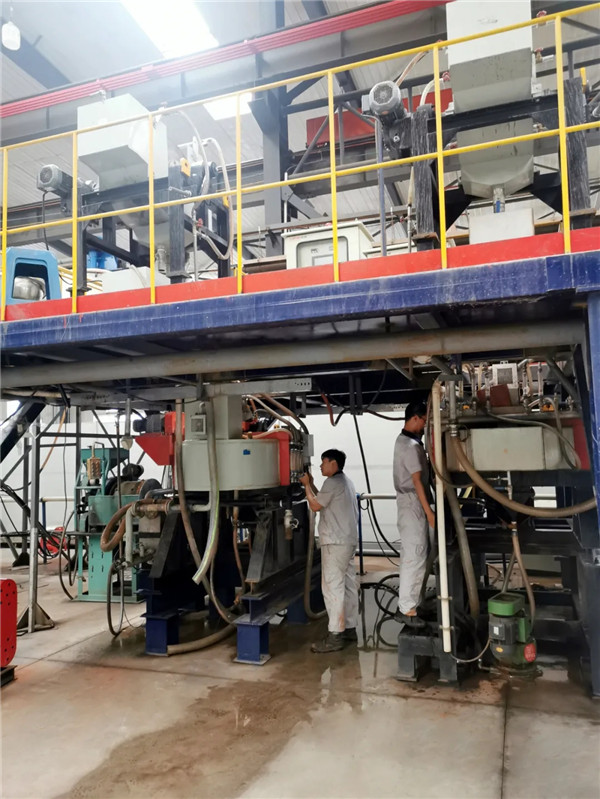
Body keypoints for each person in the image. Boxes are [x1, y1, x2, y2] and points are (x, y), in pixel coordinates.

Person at [300, 449, 359, 653]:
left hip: (335, 542)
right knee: (349, 585)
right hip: (347, 541)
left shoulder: (333, 483)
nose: (321, 465)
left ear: (333, 463)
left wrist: (306, 485)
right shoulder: (344, 482)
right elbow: (323, 498)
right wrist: (311, 483)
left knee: (333, 587)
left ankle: (335, 636)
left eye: (323, 462)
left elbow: (315, 505)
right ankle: (349, 628)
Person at [393, 400, 435, 628]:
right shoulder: (409, 446)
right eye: (424, 422)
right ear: (415, 418)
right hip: (413, 504)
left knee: (417, 556)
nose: (425, 426)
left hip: (412, 503)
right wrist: (429, 513)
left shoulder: (408, 442)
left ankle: (414, 604)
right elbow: (417, 481)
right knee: (414, 557)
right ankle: (407, 610)